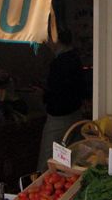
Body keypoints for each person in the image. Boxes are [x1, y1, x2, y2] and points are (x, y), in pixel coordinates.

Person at [36, 26, 85, 170]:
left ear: (56, 40)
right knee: (70, 160)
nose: (46, 43)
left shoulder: (60, 63)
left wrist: (43, 95)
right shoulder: (75, 58)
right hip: (76, 115)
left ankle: (43, 188)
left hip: (59, 118)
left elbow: (59, 94)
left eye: (48, 39)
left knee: (48, 161)